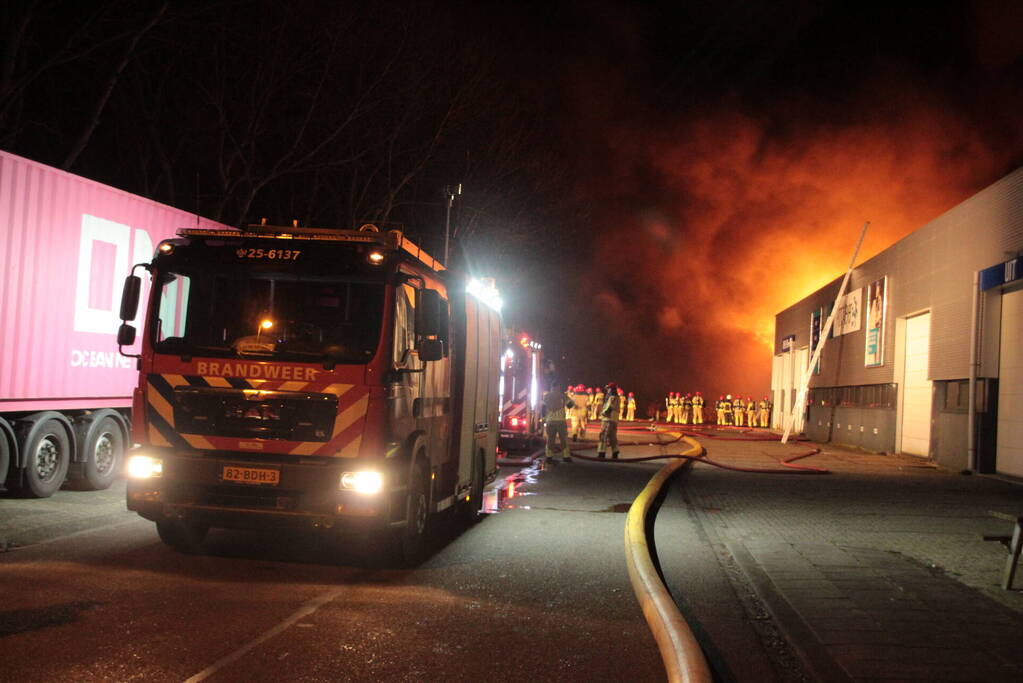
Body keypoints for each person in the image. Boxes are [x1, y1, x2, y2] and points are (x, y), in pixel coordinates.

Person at [541, 381, 574, 463]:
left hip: (550, 421)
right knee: (564, 439)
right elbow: (570, 404)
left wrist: (544, 419)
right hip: (561, 421)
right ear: (558, 387)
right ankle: (566, 456)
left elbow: (543, 409)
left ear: (551, 387)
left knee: (550, 439)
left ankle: (549, 457)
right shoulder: (563, 396)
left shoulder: (546, 396)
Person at [597, 382, 621, 459]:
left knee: (603, 435)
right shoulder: (617, 397)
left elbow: (610, 407)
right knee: (612, 436)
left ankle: (601, 452)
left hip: (608, 419)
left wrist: (604, 413)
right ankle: (615, 451)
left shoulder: (612, 397)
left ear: (611, 389)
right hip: (614, 419)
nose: (607, 390)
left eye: (608, 389)